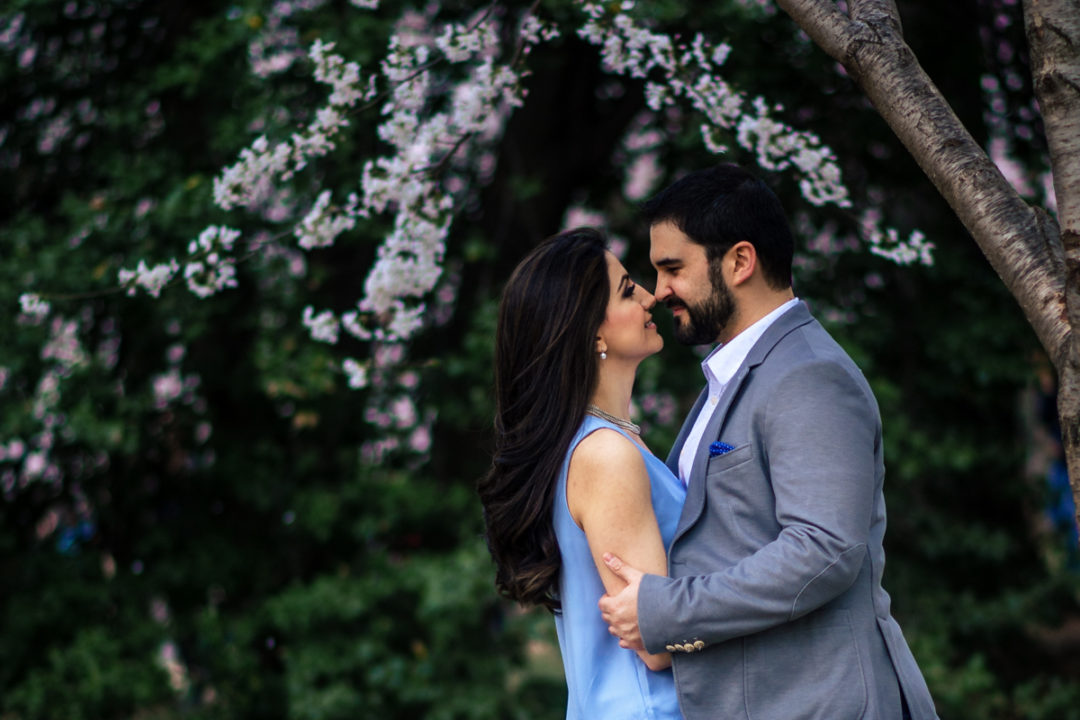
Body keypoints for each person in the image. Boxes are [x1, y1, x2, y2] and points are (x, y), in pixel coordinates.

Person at [597, 164, 939, 720]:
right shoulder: (732, 377)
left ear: (739, 261)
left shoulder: (808, 374)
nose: (659, 292)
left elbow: (826, 549)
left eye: (673, 268)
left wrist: (667, 612)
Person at [478, 227, 687, 719]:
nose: (650, 296)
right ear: (591, 332)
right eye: (627, 290)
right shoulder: (605, 454)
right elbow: (654, 642)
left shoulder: (595, 443)